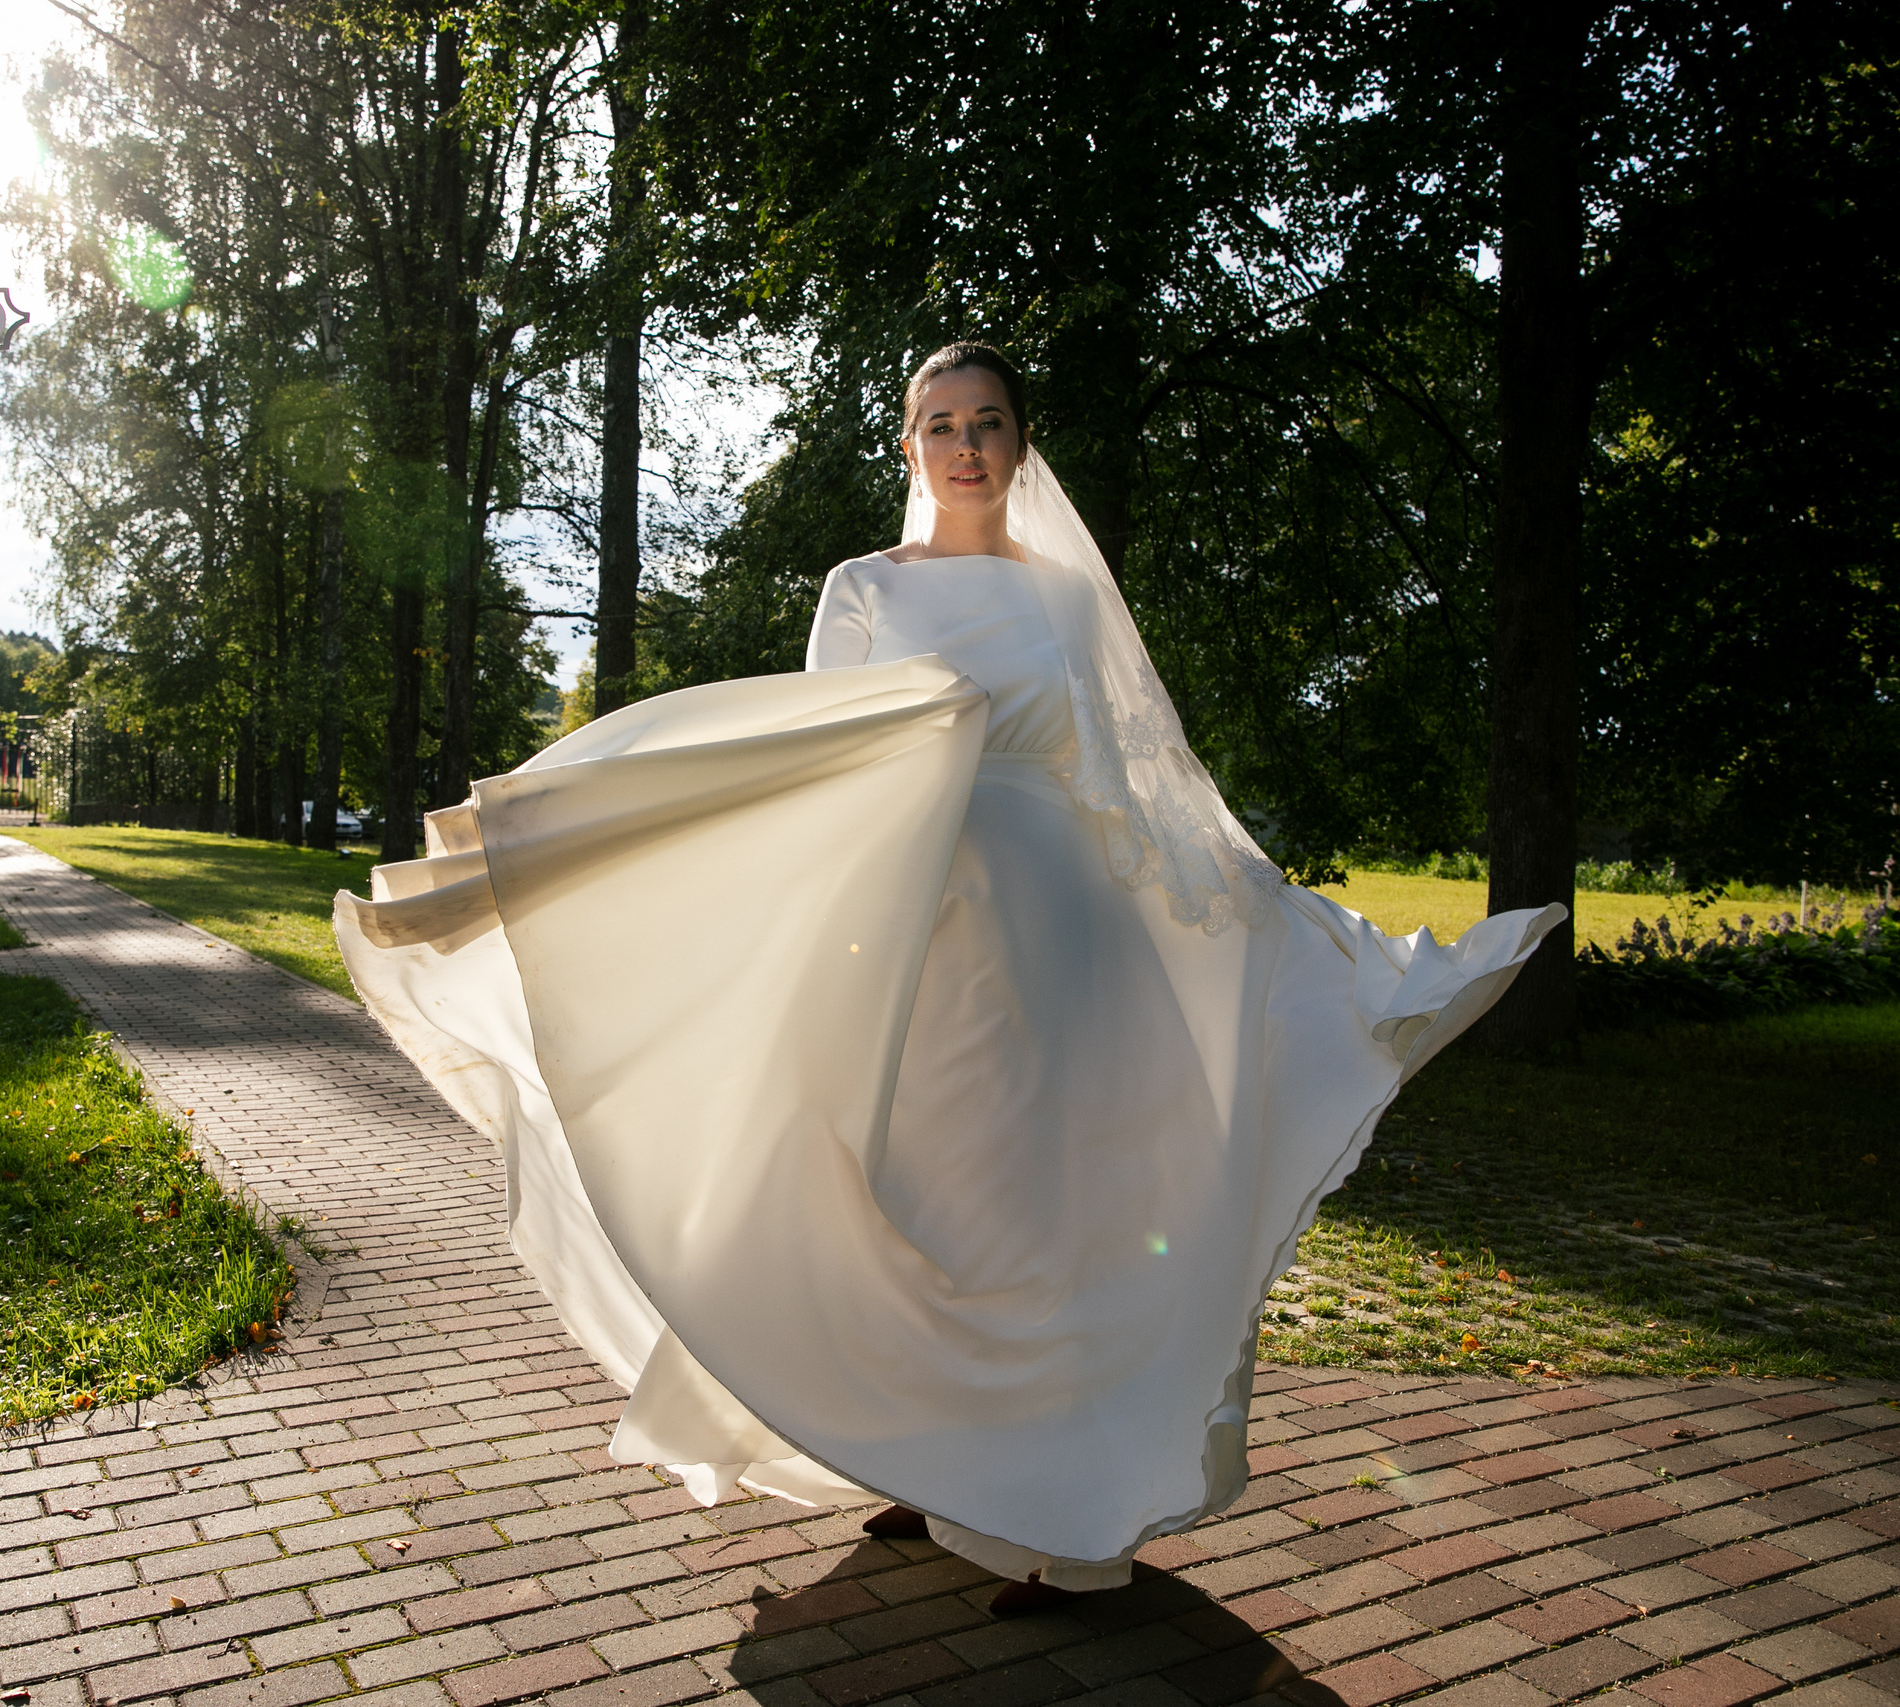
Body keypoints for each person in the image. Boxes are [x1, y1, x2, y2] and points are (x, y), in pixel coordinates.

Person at [334, 342, 1564, 1617]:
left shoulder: (1071, 602)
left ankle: (1058, 1525)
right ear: (909, 448)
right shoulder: (864, 585)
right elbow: (802, 757)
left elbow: (1132, 784)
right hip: (912, 938)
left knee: (1045, 1215)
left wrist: (1257, 917)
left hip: (1063, 942)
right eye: (939, 423)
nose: (965, 443)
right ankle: (932, 1459)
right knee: (915, 1203)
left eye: (987, 422)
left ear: (1020, 446)